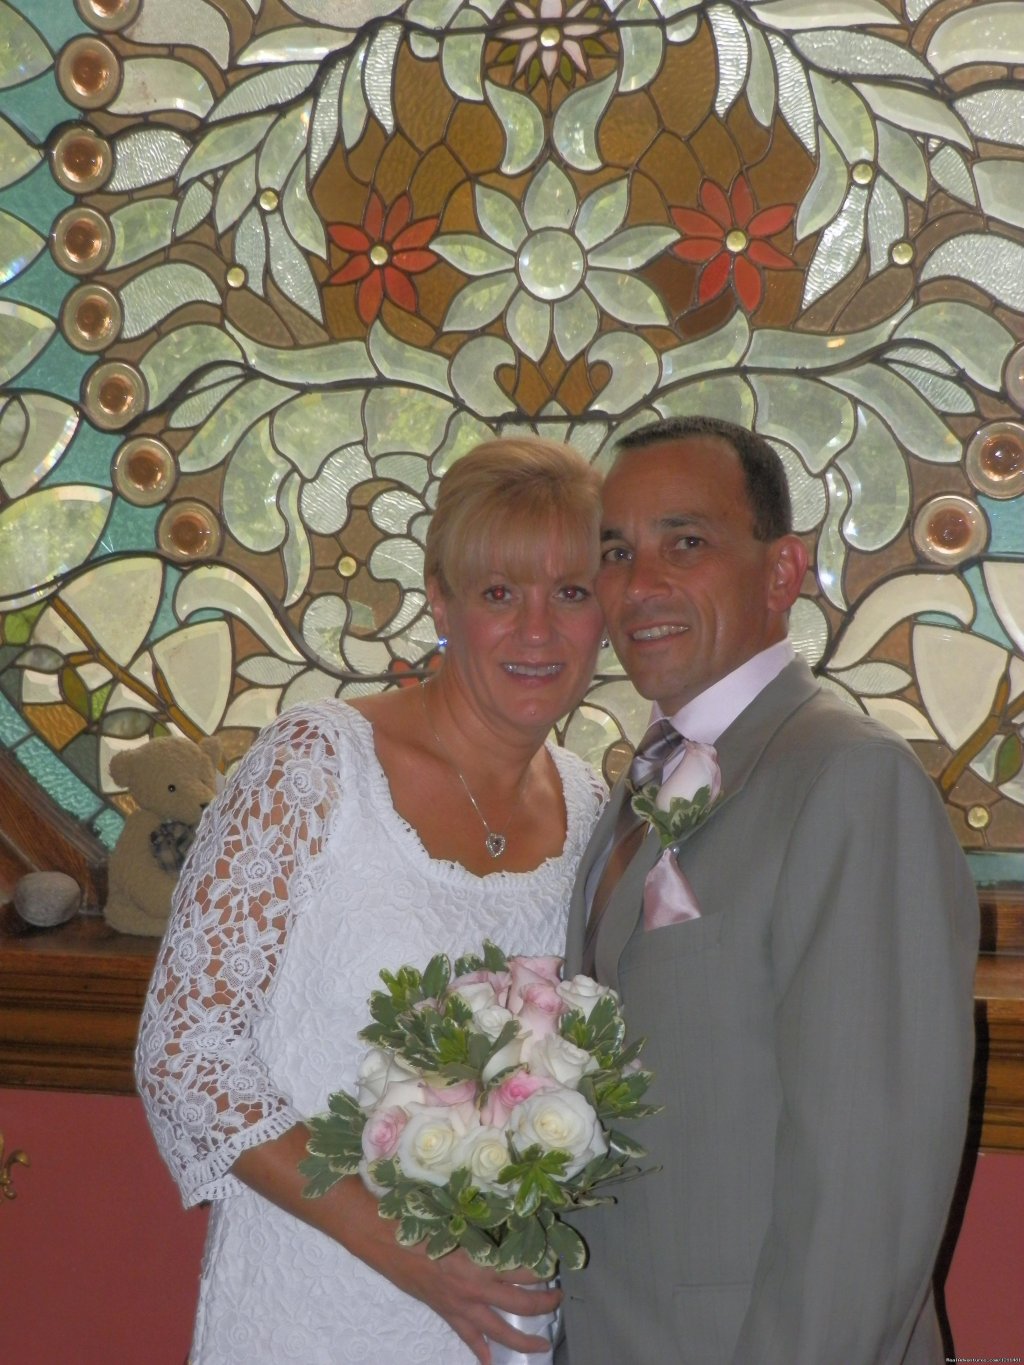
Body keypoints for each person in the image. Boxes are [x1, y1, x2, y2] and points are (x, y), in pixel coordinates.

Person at [135, 437, 608, 1365]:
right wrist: (416, 1256)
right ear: (439, 599)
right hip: (313, 1303)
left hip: (505, 1325)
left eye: (573, 592)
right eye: (499, 593)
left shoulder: (595, 805)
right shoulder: (315, 765)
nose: (539, 631)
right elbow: (185, 1055)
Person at [558, 416, 979, 1364]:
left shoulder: (850, 781)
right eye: (617, 551)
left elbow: (863, 1192)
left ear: (782, 572)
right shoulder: (635, 782)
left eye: (687, 543)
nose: (640, 583)